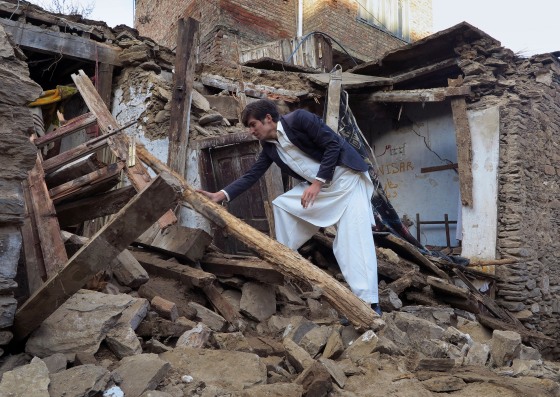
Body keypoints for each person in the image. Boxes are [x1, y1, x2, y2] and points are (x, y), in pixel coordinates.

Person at [197, 99, 381, 316]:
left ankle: (369, 305)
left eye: (253, 124)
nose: (251, 131)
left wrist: (317, 182)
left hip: (347, 180)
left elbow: (333, 144)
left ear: (268, 119)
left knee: (353, 242)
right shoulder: (270, 148)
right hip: (322, 188)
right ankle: (285, 258)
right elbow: (252, 175)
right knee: (283, 205)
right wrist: (220, 195)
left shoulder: (300, 119)